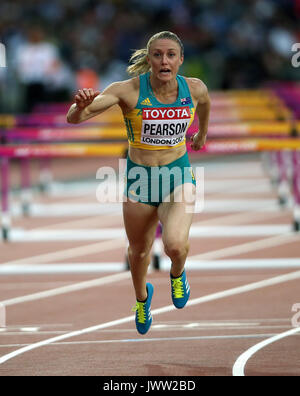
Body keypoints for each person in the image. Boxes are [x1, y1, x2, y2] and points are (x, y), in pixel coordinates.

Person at [67, 31, 210, 335]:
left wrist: (201, 134)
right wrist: (80, 105)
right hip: (139, 180)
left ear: (180, 59)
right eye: (157, 54)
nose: (164, 60)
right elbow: (74, 119)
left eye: (171, 54)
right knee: (138, 252)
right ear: (149, 59)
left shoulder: (194, 89)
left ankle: (177, 274)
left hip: (177, 176)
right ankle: (142, 300)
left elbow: (206, 103)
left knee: (174, 245)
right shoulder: (128, 90)